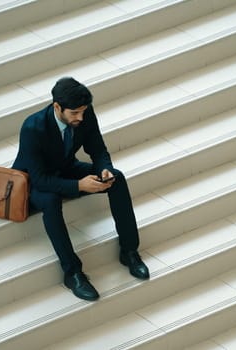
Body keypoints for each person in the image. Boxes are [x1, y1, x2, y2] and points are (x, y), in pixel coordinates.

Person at [12, 77, 149, 301]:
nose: (81, 118)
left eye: (83, 112)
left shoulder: (84, 113)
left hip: (65, 167)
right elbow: (39, 179)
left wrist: (105, 170)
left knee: (118, 179)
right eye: (75, 113)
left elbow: (97, 149)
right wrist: (79, 185)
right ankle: (72, 273)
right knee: (51, 201)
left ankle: (129, 251)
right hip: (33, 182)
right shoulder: (32, 127)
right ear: (57, 107)